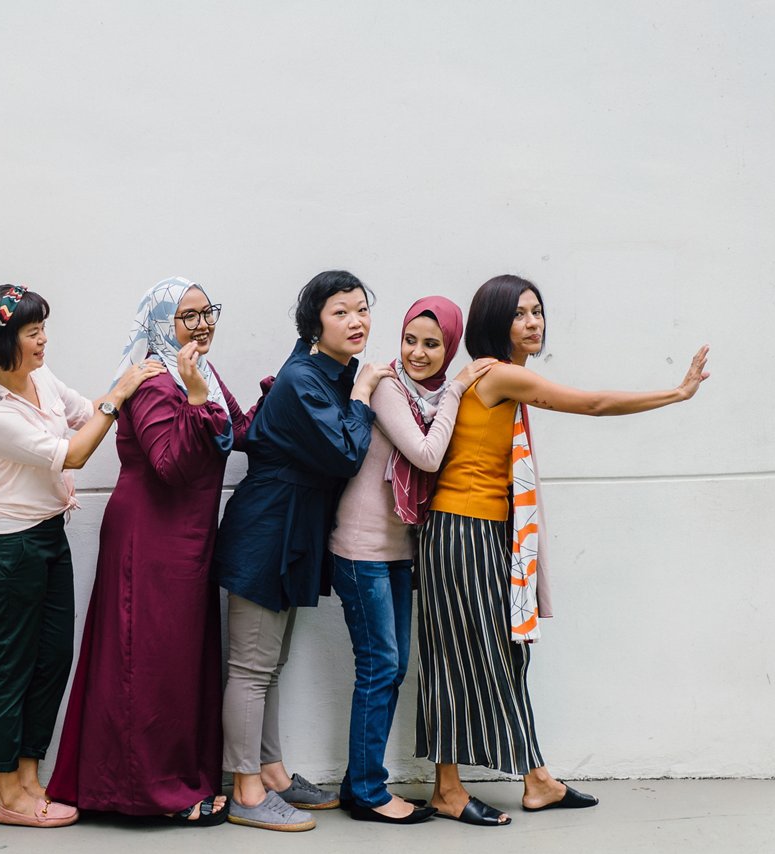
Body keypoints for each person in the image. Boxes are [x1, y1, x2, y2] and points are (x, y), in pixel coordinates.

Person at [416, 274, 710, 826]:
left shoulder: (493, 374)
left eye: (538, 311)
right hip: (462, 530)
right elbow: (593, 403)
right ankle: (457, 789)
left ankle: (533, 780)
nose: (534, 323)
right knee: (462, 657)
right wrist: (674, 393)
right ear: (495, 323)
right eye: (520, 314)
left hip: (478, 531)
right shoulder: (500, 375)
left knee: (496, 653)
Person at [50, 278, 259, 826]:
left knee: (179, 661)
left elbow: (236, 429)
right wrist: (194, 397)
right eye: (186, 317)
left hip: (188, 538)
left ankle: (176, 776)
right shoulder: (150, 380)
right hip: (150, 538)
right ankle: (146, 791)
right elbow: (170, 464)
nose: (202, 325)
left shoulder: (199, 374)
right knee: (147, 661)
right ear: (161, 323)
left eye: (206, 312)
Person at [0, 284, 165, 828]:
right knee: (12, 667)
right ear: (4, 341)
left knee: (53, 659)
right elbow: (76, 449)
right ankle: (8, 793)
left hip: (49, 534)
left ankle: (31, 777)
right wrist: (117, 393)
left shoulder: (40, 379)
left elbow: (86, 414)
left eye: (42, 329)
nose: (43, 341)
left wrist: (137, 394)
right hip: (10, 545)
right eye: (33, 333)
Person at [212, 270, 389, 832]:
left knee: (270, 664)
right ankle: (245, 790)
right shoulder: (304, 381)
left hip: (290, 529)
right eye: (341, 311)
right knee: (251, 666)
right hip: (267, 530)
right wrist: (362, 396)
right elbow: (345, 453)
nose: (357, 320)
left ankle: (273, 773)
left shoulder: (325, 371)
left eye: (361, 309)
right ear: (315, 322)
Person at [330, 297, 495, 825]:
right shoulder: (387, 387)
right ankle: (367, 791)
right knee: (380, 668)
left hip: (400, 551)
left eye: (432, 344)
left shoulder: (429, 394)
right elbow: (427, 454)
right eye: (410, 340)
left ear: (448, 348)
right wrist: (457, 388)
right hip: (361, 550)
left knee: (392, 667)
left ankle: (362, 784)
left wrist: (450, 392)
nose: (418, 353)